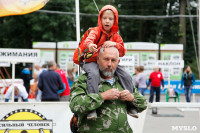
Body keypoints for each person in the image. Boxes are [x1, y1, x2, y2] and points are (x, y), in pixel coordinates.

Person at [70, 47, 147, 133]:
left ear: (118, 62)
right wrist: (102, 96)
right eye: (106, 59)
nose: (109, 64)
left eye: (113, 60)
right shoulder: (85, 80)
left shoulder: (123, 81)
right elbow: (75, 105)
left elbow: (143, 104)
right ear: (98, 60)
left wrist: (131, 98)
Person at [82, 5, 135, 119]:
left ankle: (130, 104)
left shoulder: (116, 36)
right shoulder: (95, 31)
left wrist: (114, 44)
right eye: (104, 18)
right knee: (94, 74)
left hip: (107, 62)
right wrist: (91, 45)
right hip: (91, 61)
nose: (107, 21)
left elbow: (123, 51)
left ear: (115, 21)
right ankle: (92, 108)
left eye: (110, 19)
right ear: (100, 19)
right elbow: (88, 41)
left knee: (126, 75)